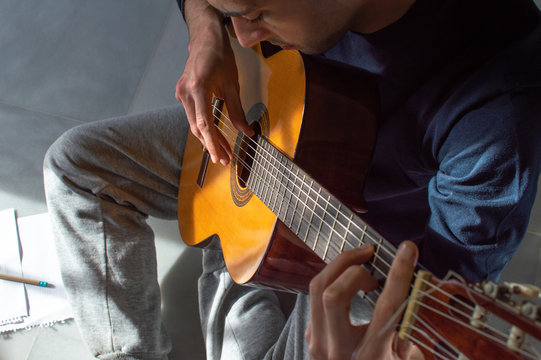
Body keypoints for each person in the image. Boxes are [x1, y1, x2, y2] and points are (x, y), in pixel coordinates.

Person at [43, 0, 541, 359]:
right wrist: (205, 35)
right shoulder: (248, 25)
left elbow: (439, 296)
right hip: (253, 121)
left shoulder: (497, 115)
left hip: (349, 246)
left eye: (257, 14)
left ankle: (235, 247)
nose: (242, 34)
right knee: (77, 166)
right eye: (230, 12)